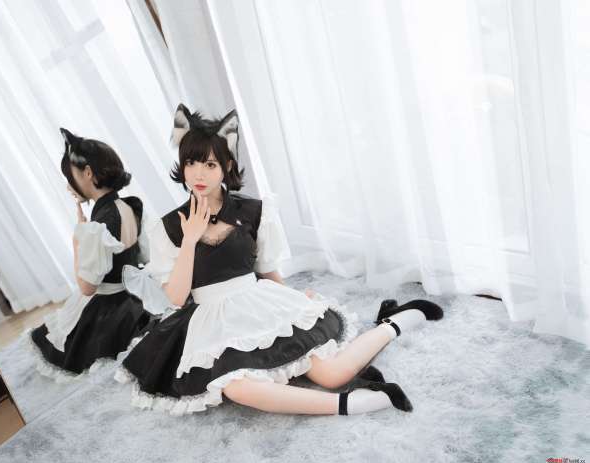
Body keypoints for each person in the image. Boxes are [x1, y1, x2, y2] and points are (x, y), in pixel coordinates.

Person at [117, 105, 443, 415]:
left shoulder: (253, 211)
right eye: (190, 163)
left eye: (210, 165)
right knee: (237, 387)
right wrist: (189, 240)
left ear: (227, 166)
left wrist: (293, 298)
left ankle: (395, 322)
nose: (198, 174)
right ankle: (350, 404)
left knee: (332, 375)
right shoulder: (169, 228)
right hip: (213, 320)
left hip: (259, 302)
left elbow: (266, 268)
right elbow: (176, 297)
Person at [30, 128, 159, 378]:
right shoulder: (129, 206)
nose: (69, 185)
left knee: (49, 340)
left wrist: (78, 240)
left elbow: (87, 287)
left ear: (88, 173)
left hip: (112, 309)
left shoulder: (98, 225)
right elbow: (144, 256)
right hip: (135, 296)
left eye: (71, 177)